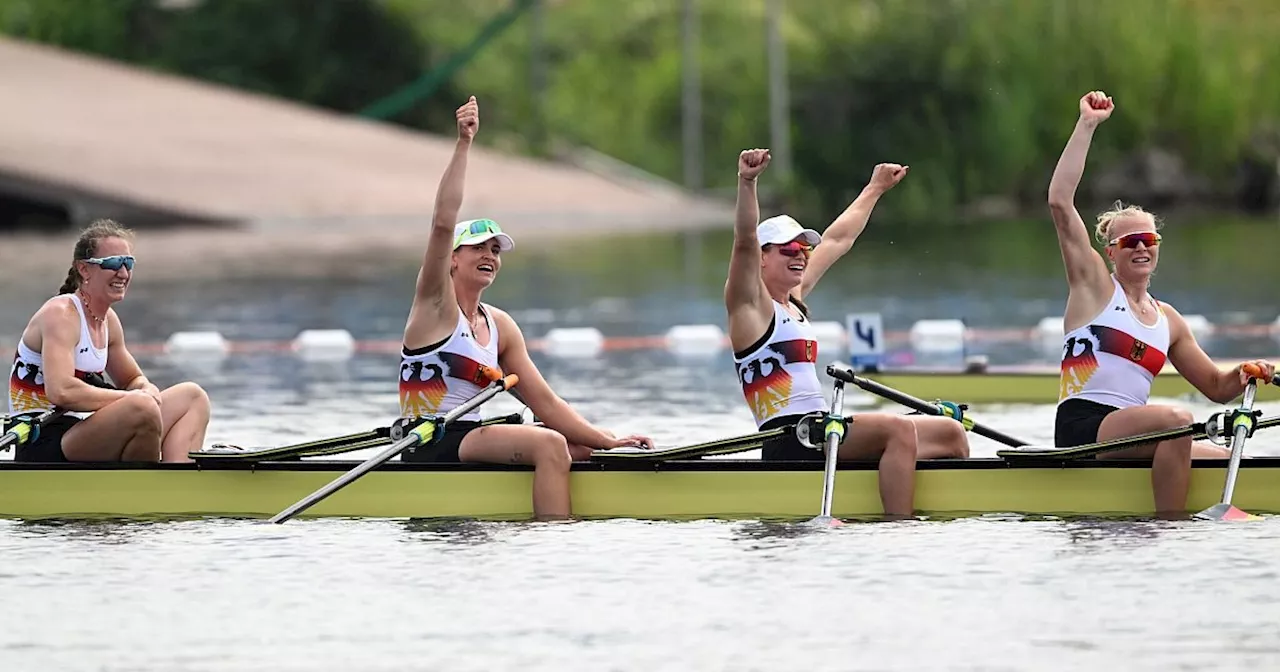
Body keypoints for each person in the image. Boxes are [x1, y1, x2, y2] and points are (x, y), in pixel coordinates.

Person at [399, 96, 653, 520]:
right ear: (452, 260)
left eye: (496, 250)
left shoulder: (500, 325)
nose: (491, 255)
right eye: (478, 247)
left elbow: (547, 404)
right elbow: (443, 221)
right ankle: (550, 538)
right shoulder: (433, 306)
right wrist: (464, 142)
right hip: (427, 441)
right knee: (552, 445)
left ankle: (539, 505)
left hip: (471, 436)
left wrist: (608, 442)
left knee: (581, 443)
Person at [1047, 90, 1276, 514]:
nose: (1142, 248)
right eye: (1130, 241)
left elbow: (1215, 387)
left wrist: (1246, 372)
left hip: (1136, 434)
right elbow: (1060, 201)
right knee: (1175, 422)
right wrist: (1087, 125)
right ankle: (1168, 528)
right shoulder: (1094, 287)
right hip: (1086, 429)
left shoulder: (1168, 319)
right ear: (1111, 252)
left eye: (1149, 240)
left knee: (1231, 464)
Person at [724, 148, 970, 518]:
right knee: (897, 431)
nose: (802, 256)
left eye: (805, 249)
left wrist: (874, 188)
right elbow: (744, 239)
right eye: (790, 249)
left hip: (821, 429)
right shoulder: (748, 307)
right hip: (789, 438)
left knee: (950, 432)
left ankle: (956, 506)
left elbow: (838, 239)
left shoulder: (795, 299)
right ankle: (900, 528)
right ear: (762, 256)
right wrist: (748, 182)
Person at [7, 219, 212, 463]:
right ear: (84, 269)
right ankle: (144, 490)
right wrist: (132, 399)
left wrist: (146, 389)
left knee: (192, 397)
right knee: (141, 409)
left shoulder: (109, 321)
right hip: (43, 440)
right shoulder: (60, 314)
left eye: (128, 263)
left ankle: (179, 484)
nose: (123, 273)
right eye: (113, 263)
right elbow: (61, 391)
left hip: (86, 430)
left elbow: (132, 380)